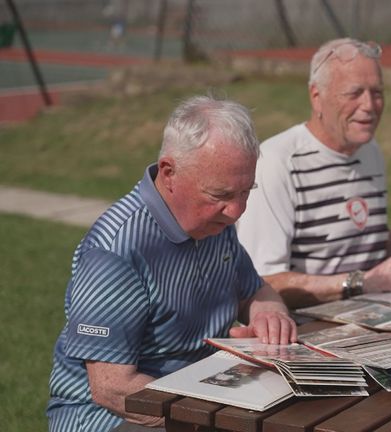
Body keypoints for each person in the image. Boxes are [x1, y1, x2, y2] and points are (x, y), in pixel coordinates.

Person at [47, 96, 297, 432]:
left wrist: (269, 312)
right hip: (110, 418)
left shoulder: (212, 222)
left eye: (245, 191)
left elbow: (254, 290)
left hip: (204, 398)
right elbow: (111, 388)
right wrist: (213, 413)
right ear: (169, 174)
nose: (238, 211)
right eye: (221, 195)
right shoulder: (117, 250)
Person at [236, 38, 391, 308]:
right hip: (311, 331)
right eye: (354, 93)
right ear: (317, 97)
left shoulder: (369, 150)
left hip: (371, 316)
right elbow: (259, 284)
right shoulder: (276, 162)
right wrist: (358, 282)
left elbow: (361, 235)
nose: (369, 105)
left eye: (377, 92)